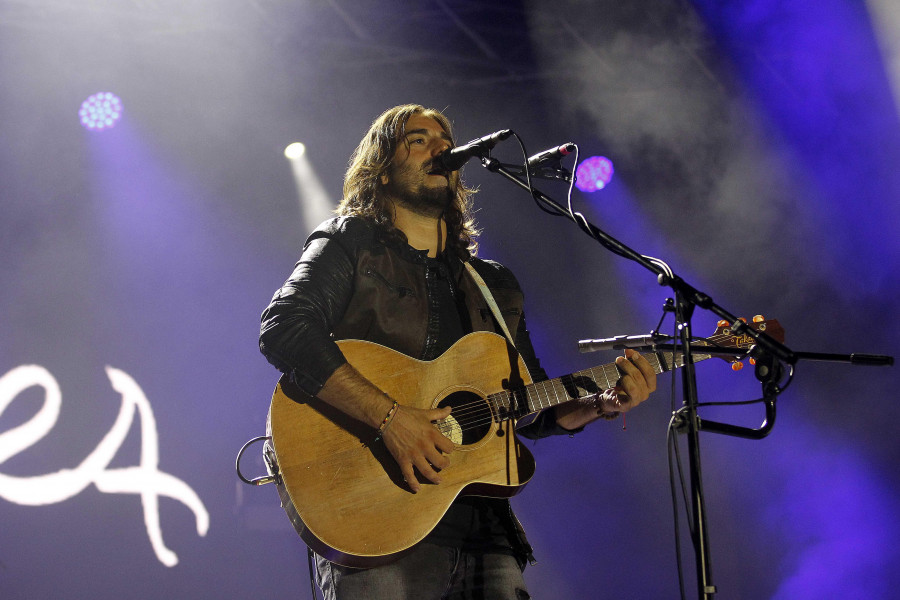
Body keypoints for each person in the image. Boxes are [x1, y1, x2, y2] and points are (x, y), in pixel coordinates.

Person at [259, 104, 657, 599]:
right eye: (418, 140)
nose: (440, 148)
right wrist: (391, 418)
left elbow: (529, 407)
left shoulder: (494, 285)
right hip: (377, 524)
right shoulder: (351, 243)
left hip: (485, 532)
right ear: (381, 170)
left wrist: (600, 404)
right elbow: (284, 328)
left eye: (444, 141)